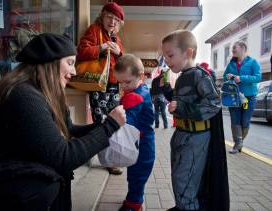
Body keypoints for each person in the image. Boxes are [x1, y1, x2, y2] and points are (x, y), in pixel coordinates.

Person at [0, 33, 126, 211]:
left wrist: (100, 126)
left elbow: (69, 129)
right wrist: (109, 127)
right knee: (50, 177)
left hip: (5, 175)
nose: (74, 71)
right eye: (69, 63)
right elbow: (64, 157)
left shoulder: (42, 92)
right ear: (49, 63)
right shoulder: (23, 96)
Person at [161, 30, 229, 211]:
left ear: (188, 53)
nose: (166, 60)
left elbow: (214, 104)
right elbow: (181, 100)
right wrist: (168, 91)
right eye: (165, 56)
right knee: (180, 180)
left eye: (170, 55)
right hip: (182, 135)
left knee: (185, 182)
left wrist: (181, 108)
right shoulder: (184, 76)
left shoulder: (200, 75)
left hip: (195, 139)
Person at [77, 2, 124, 175]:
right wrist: (102, 47)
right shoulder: (94, 30)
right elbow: (81, 52)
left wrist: (119, 53)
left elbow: (123, 63)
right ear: (103, 16)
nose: (112, 22)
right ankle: (108, 160)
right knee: (102, 123)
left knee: (114, 121)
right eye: (110, 17)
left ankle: (112, 156)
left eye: (116, 20)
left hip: (113, 85)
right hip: (98, 84)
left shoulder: (116, 38)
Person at [114, 54, 155, 211]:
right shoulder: (138, 89)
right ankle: (136, 199)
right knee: (135, 174)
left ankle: (133, 205)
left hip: (143, 144)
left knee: (137, 176)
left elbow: (126, 120)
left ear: (141, 76)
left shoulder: (136, 96)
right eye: (120, 82)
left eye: (127, 81)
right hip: (140, 141)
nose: (124, 86)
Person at [223, 41, 261, 154]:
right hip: (234, 97)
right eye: (232, 48)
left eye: (235, 47)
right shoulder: (231, 64)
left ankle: (239, 142)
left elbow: (258, 77)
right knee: (235, 120)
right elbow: (225, 76)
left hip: (248, 97)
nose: (233, 49)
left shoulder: (253, 62)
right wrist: (228, 76)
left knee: (245, 121)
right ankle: (237, 143)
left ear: (243, 49)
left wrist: (242, 78)